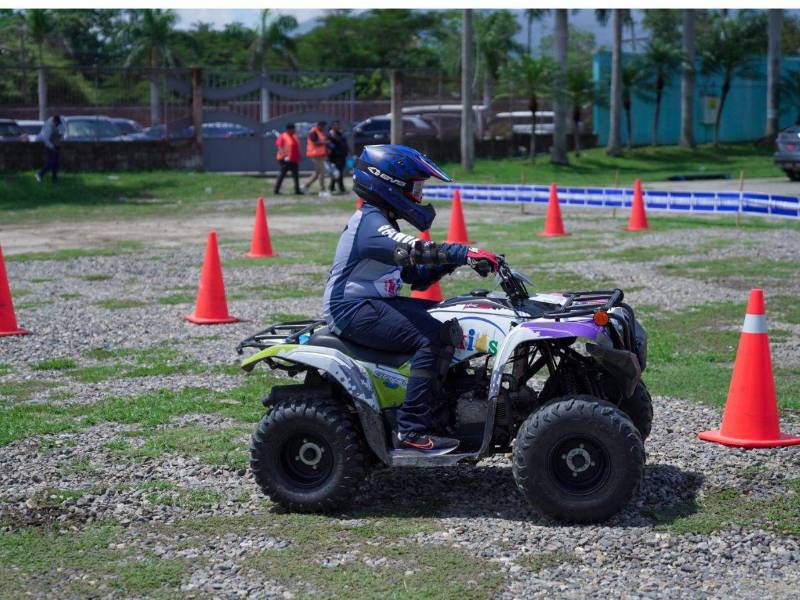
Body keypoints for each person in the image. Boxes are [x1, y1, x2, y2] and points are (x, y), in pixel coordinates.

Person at [322, 144, 500, 455]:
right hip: (351, 309)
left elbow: (414, 277)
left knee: (450, 317)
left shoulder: (381, 222)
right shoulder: (371, 223)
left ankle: (443, 404)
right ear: (389, 184)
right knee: (429, 337)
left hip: (374, 303)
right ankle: (411, 429)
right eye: (415, 187)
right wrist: (463, 252)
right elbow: (414, 249)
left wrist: (458, 262)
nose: (418, 196)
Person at [273, 123, 302, 195]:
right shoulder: (283, 136)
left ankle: (297, 190)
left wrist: (299, 156)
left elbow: (296, 148)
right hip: (284, 160)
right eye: (293, 129)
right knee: (282, 174)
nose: (294, 130)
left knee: (296, 175)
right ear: (289, 129)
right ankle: (276, 190)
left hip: (294, 159)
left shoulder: (295, 137)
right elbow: (279, 147)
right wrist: (284, 155)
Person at [303, 120, 329, 197]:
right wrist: (325, 143)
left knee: (317, 173)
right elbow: (315, 142)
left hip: (320, 155)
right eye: (323, 126)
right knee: (322, 172)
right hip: (315, 155)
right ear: (319, 125)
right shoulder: (313, 132)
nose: (323, 128)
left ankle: (305, 186)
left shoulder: (320, 132)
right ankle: (322, 190)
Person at [35, 115, 62, 183]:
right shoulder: (49, 126)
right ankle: (40, 174)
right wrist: (52, 147)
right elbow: (45, 138)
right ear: (54, 121)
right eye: (57, 123)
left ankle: (54, 178)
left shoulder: (53, 125)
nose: (58, 125)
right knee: (51, 162)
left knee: (56, 162)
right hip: (50, 146)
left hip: (54, 145)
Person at [327, 120, 349, 195]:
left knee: (339, 172)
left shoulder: (341, 133)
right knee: (337, 172)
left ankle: (332, 187)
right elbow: (330, 145)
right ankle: (340, 187)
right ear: (332, 126)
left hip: (342, 156)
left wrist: (347, 151)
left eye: (338, 125)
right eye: (335, 125)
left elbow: (344, 143)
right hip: (335, 157)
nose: (337, 126)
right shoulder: (331, 135)